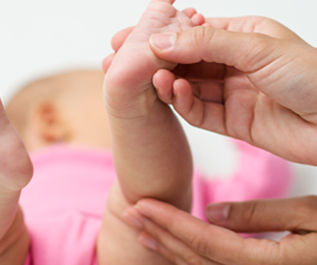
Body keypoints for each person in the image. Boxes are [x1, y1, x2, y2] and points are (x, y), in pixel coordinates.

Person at [0, 0, 290, 265]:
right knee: (153, 204)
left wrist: (253, 102)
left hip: (19, 252)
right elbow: (264, 182)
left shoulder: (181, 169)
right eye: (101, 100)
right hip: (125, 246)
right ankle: (132, 102)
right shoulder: (183, 172)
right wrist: (259, 111)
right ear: (51, 120)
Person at [117, 16, 317, 264]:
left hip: (131, 235)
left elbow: (267, 178)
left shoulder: (193, 186)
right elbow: (267, 177)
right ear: (52, 121)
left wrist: (254, 121)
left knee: (145, 206)